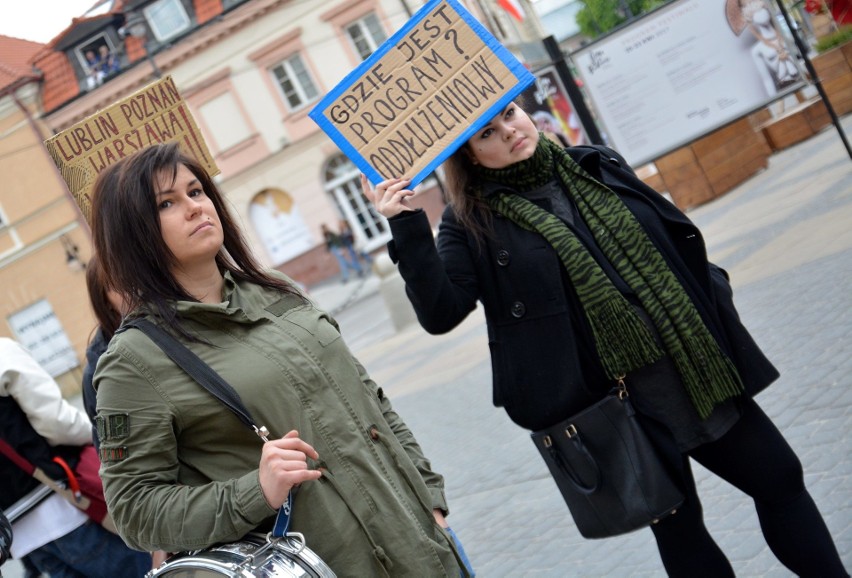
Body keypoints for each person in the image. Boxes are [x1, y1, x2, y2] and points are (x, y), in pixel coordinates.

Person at [361, 100, 848, 577]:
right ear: (469, 156)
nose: (509, 131)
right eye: (486, 134)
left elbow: (670, 234)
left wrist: (711, 286)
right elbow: (441, 312)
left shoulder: (592, 164)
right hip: (615, 403)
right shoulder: (470, 222)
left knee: (780, 477)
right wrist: (406, 226)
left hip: (690, 365)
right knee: (681, 531)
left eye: (508, 115)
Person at [88, 143, 473, 577]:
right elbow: (134, 510)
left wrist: (430, 500)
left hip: (424, 548)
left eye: (196, 191)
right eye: (167, 203)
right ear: (131, 232)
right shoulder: (134, 361)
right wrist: (254, 491)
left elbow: (369, 399)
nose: (195, 208)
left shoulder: (277, 290)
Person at [0, 338, 152, 577]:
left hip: (19, 536)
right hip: (66, 506)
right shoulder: (3, 353)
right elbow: (56, 423)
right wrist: (94, 432)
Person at [727, 0, 800, 95]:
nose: (753, 7)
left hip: (804, 79)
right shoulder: (757, 50)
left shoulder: (785, 34)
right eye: (747, 5)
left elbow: (803, 56)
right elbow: (767, 80)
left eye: (753, 1)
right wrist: (777, 104)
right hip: (785, 85)